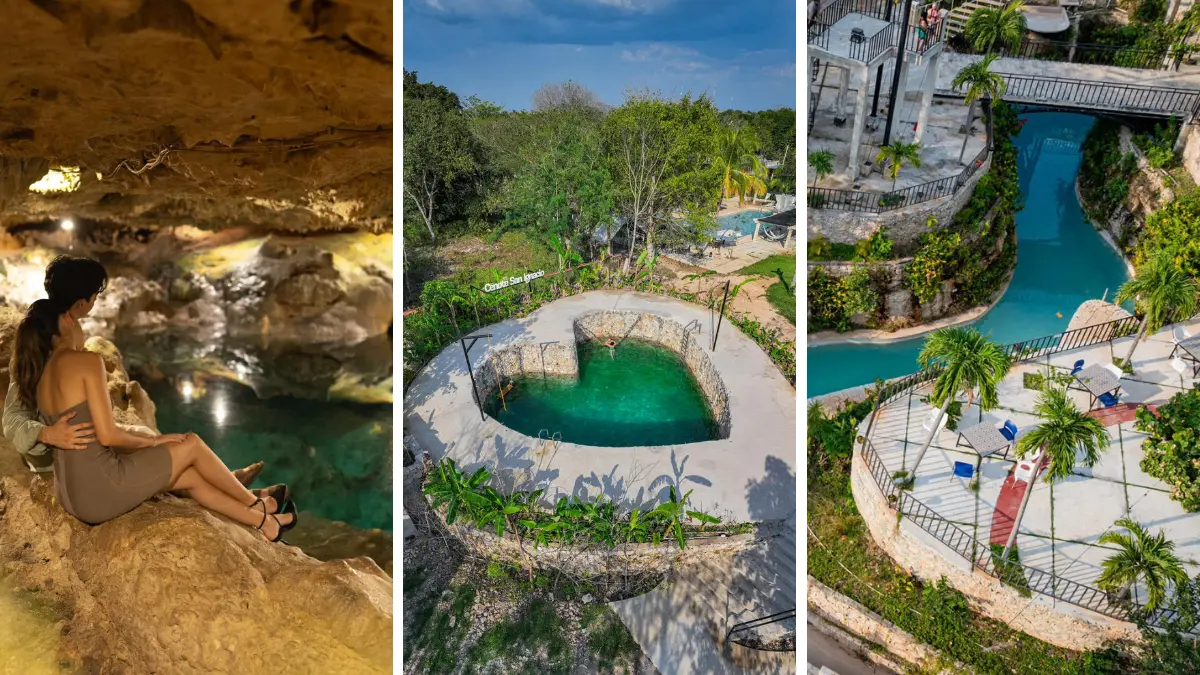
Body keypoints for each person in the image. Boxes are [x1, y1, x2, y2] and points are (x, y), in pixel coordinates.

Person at [11, 259, 296, 540]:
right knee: (191, 443)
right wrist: (156, 441)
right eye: (95, 295)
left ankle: (264, 524)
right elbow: (108, 435)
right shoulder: (85, 361)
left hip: (70, 495)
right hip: (100, 489)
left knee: (188, 477)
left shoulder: (39, 370)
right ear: (67, 319)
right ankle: (254, 502)